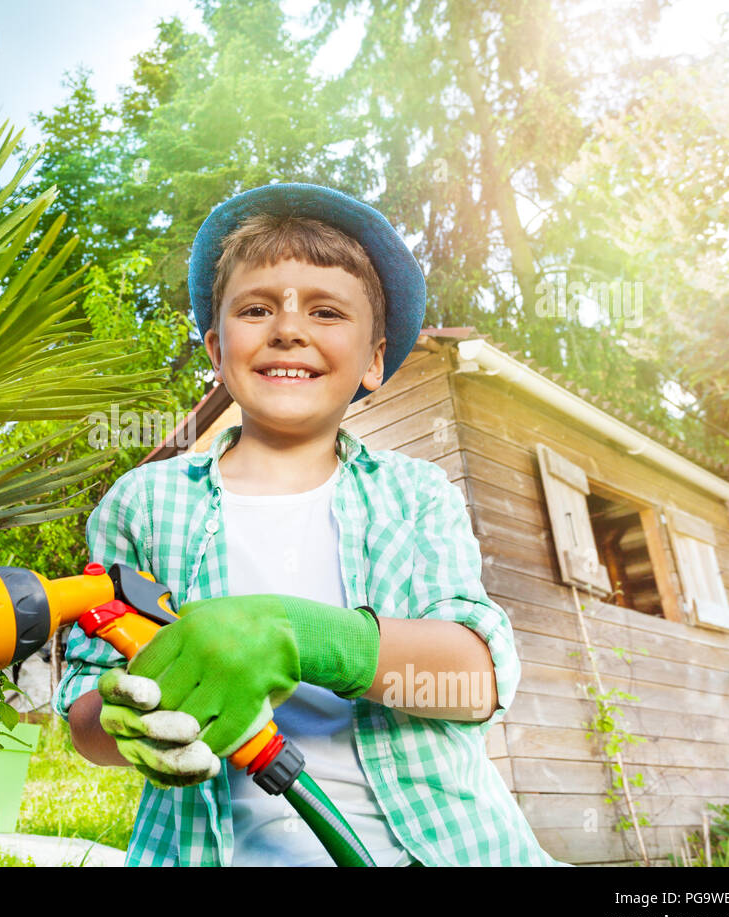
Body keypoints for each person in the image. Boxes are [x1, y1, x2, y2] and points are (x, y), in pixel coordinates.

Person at [53, 183, 566, 866]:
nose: (288, 329)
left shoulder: (415, 496)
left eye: (325, 310)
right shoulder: (142, 505)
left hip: (443, 847)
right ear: (216, 349)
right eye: (257, 308)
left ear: (374, 360)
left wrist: (304, 639)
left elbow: (478, 681)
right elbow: (85, 711)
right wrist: (128, 721)